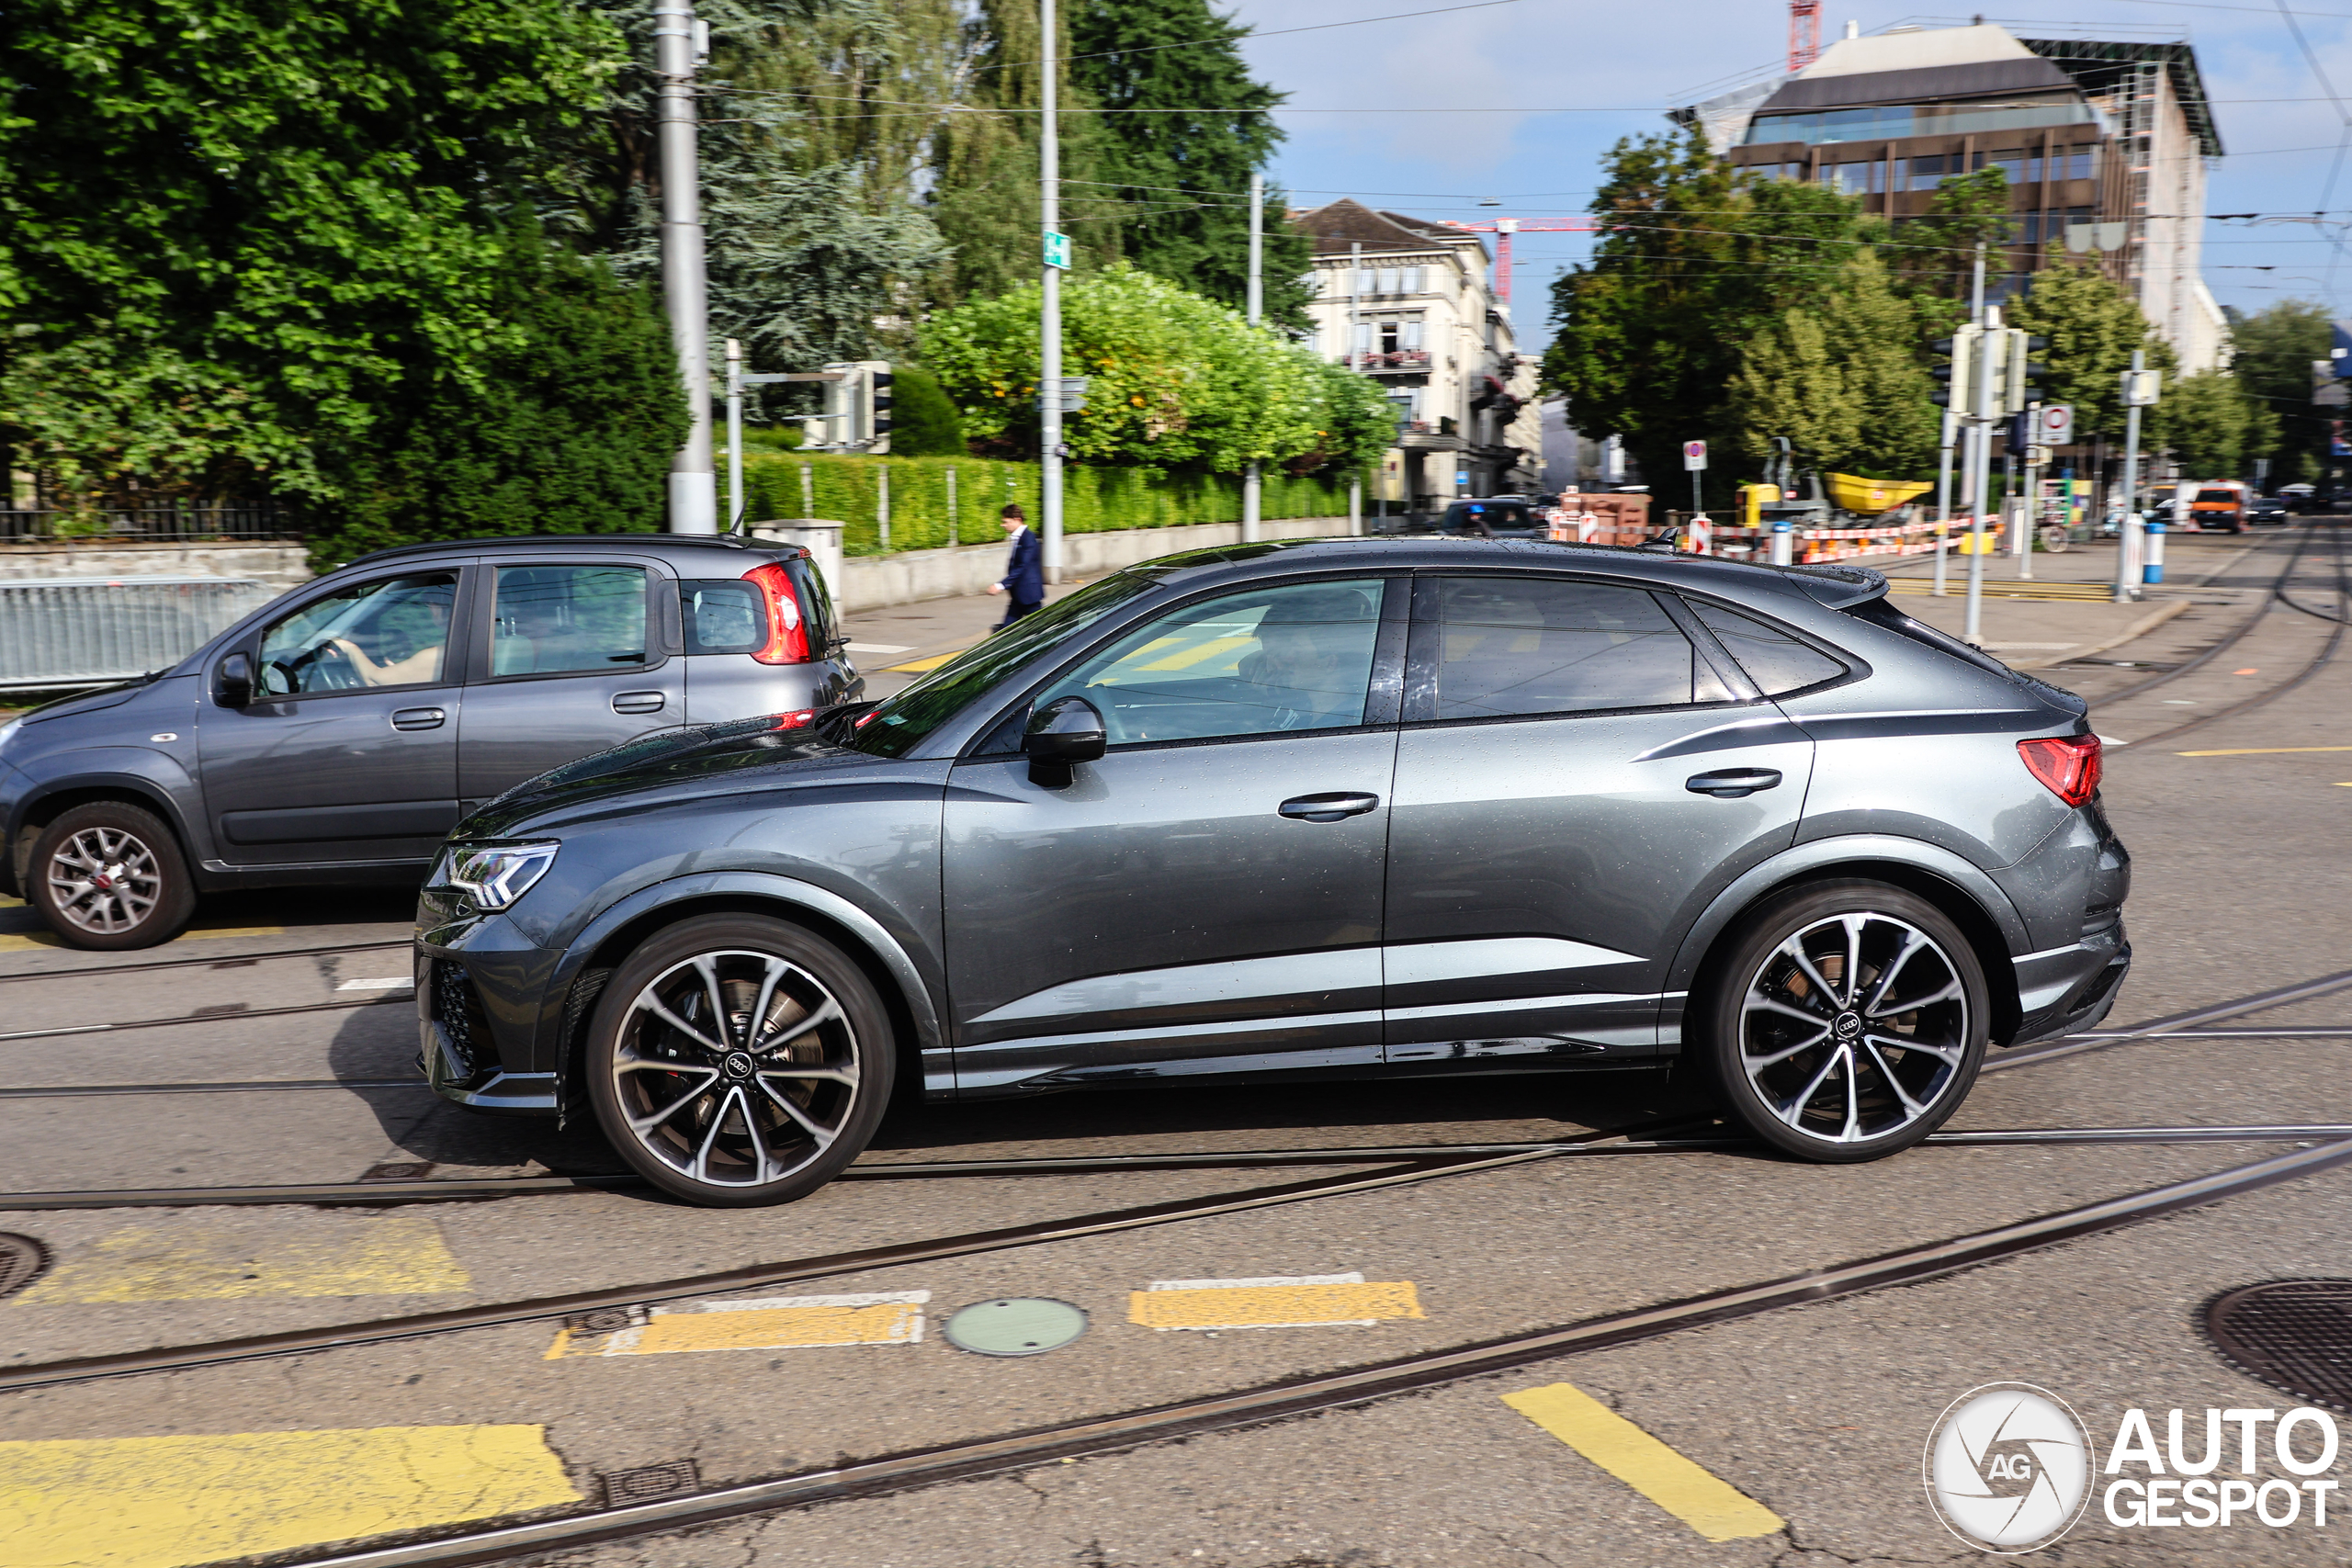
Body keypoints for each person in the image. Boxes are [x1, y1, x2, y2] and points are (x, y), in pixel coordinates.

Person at [985, 502, 1044, 626]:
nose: (1003, 525)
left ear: (1017, 520)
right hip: (1019, 594)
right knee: (1006, 630)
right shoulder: (1019, 538)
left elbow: (1022, 566)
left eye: (1006, 521)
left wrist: (1000, 585)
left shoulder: (1028, 538)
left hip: (1028, 595)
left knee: (1041, 628)